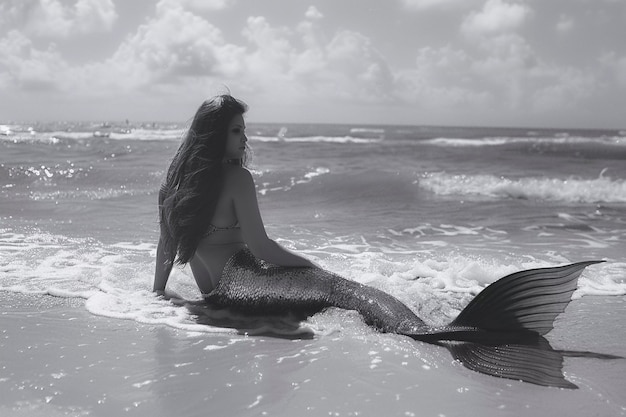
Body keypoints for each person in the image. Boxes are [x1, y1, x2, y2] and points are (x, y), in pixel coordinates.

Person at [153, 95, 316, 298]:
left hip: (213, 296)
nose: (245, 139)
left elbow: (167, 246)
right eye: (236, 131)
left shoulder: (173, 186)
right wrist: (310, 265)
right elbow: (261, 248)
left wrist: (158, 292)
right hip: (245, 287)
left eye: (244, 131)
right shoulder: (239, 179)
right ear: (215, 134)